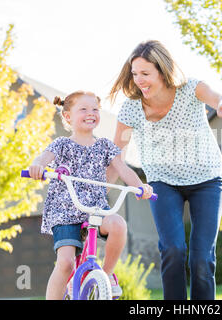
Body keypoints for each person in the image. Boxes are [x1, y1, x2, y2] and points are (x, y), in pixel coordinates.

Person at [107, 40, 222, 300]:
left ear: (162, 70)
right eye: (135, 74)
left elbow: (215, 96)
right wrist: (99, 191)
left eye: (145, 74)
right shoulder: (131, 108)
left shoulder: (190, 89)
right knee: (173, 250)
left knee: (202, 259)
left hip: (207, 181)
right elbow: (117, 157)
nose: (139, 81)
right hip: (162, 182)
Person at [28, 90, 153, 300]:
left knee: (118, 225)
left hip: (95, 208)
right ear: (67, 117)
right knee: (66, 263)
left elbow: (122, 169)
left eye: (95, 109)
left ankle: (107, 274)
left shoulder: (104, 146)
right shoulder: (62, 144)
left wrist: (140, 187)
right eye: (83, 109)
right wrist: (37, 166)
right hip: (65, 212)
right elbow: (43, 158)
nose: (90, 113)